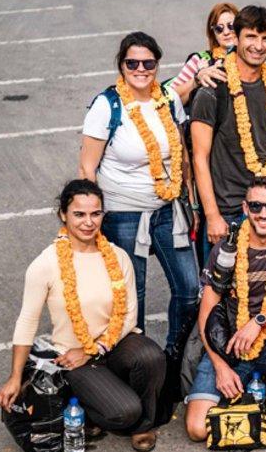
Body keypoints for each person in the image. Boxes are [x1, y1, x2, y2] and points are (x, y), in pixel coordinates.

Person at [0, 180, 165, 452]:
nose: (88, 222)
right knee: (124, 411)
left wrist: (95, 348)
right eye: (79, 214)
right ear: (63, 214)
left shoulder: (118, 257)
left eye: (95, 214)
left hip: (112, 344)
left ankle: (143, 424)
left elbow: (129, 316)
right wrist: (15, 376)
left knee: (151, 356)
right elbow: (27, 322)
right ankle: (89, 405)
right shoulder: (46, 264)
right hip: (72, 356)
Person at [78, 32, 199, 359]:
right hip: (123, 215)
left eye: (148, 62)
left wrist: (190, 199)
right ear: (122, 65)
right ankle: (142, 368)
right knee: (134, 296)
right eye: (133, 62)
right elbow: (87, 168)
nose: (141, 69)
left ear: (157, 65)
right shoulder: (107, 105)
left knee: (189, 290)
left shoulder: (168, 98)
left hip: (168, 210)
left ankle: (174, 358)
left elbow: (181, 151)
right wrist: (91, 220)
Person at [186, 179, 266, 439]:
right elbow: (206, 317)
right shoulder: (226, 249)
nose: (264, 214)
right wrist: (220, 366)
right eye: (256, 206)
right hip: (229, 344)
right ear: (245, 208)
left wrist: (259, 321)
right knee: (198, 429)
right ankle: (241, 382)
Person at [190, 6, 266, 255]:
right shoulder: (213, 89)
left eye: (265, 39)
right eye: (251, 36)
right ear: (237, 37)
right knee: (220, 291)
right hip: (229, 211)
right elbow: (200, 157)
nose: (258, 46)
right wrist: (212, 215)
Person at [168, 2, 237, 105]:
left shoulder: (252, 56)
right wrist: (197, 80)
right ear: (213, 33)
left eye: (231, 26)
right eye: (219, 28)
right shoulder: (199, 60)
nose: (226, 32)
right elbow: (170, 99)